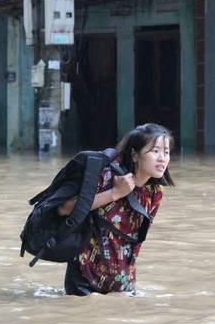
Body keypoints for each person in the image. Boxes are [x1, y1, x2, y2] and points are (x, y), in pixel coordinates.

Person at [59, 123, 175, 296]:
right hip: (84, 279)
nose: (162, 158)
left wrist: (126, 283)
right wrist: (115, 193)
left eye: (166, 152)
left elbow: (136, 240)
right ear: (135, 155)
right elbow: (64, 208)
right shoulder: (107, 177)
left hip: (122, 283)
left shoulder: (155, 192)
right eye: (155, 151)